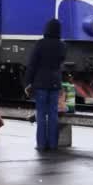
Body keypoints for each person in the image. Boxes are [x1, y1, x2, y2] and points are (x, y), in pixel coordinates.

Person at [25, 19, 67, 151]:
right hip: (55, 83)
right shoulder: (62, 46)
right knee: (53, 114)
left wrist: (27, 82)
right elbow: (61, 61)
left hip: (40, 83)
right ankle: (53, 144)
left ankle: (42, 144)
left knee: (41, 114)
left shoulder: (40, 44)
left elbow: (32, 64)